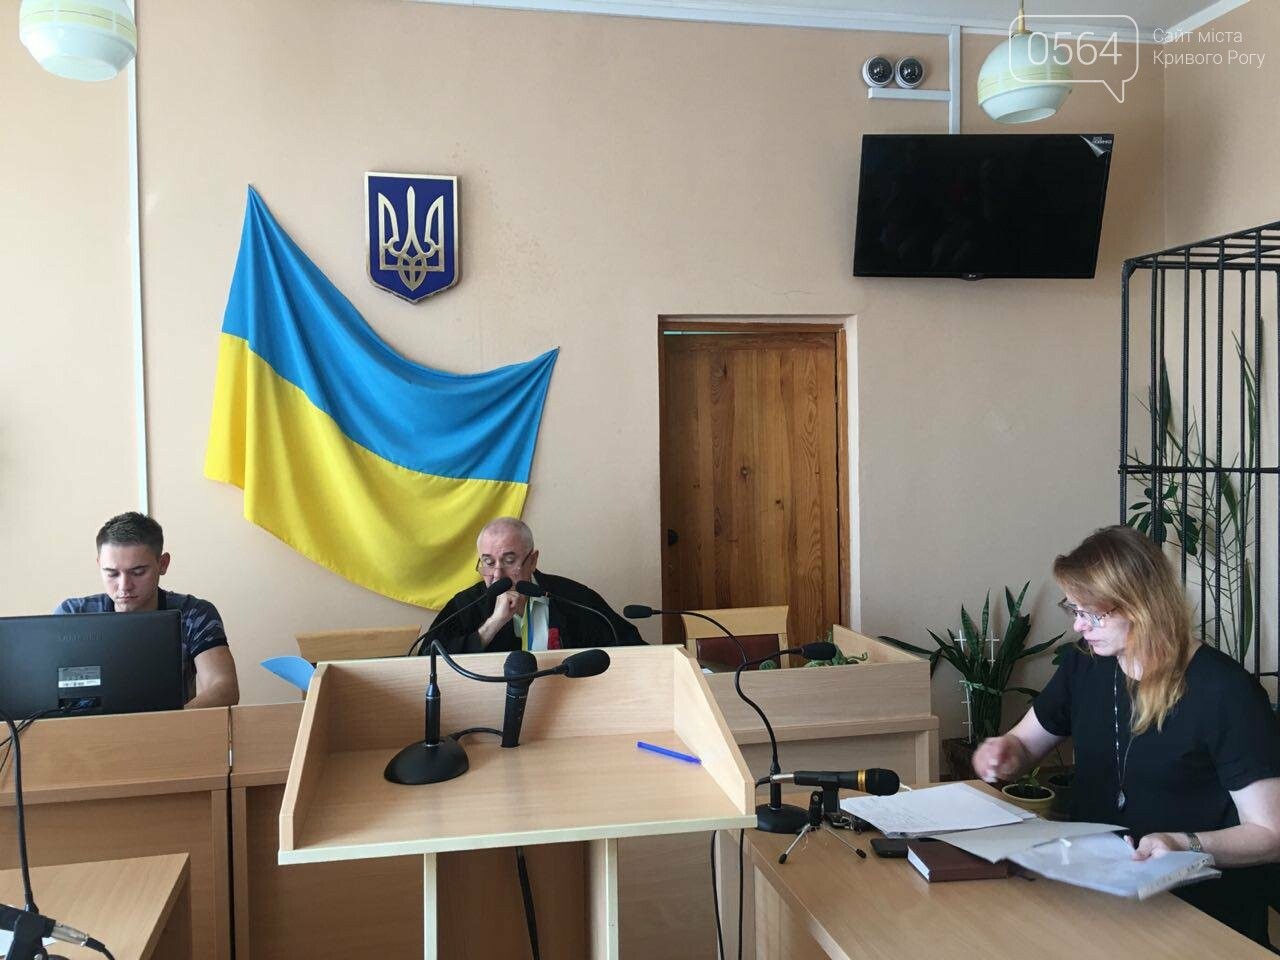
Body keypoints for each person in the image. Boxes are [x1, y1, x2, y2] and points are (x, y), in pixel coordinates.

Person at [973, 525, 1280, 944]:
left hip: (1197, 915)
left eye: (1092, 613)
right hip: (1094, 896)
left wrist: (1183, 844)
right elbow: (1025, 743)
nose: (1078, 626)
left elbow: (1270, 834)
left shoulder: (1226, 691)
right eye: (1074, 609)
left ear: (1141, 606)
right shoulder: (1086, 665)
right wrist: (1003, 752)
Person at [56, 512, 240, 709]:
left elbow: (224, 688)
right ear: (99, 564)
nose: (124, 586)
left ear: (163, 564)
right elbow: (46, 687)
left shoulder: (193, 614)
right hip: (81, 726)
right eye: (112, 573)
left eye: (138, 572)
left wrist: (170, 721)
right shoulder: (73, 614)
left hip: (169, 725)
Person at [425, 517, 645, 654]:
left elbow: (630, 647)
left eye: (509, 561)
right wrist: (491, 625)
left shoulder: (573, 597)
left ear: (532, 560)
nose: (497, 574)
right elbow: (426, 659)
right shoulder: (465, 605)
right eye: (488, 562)